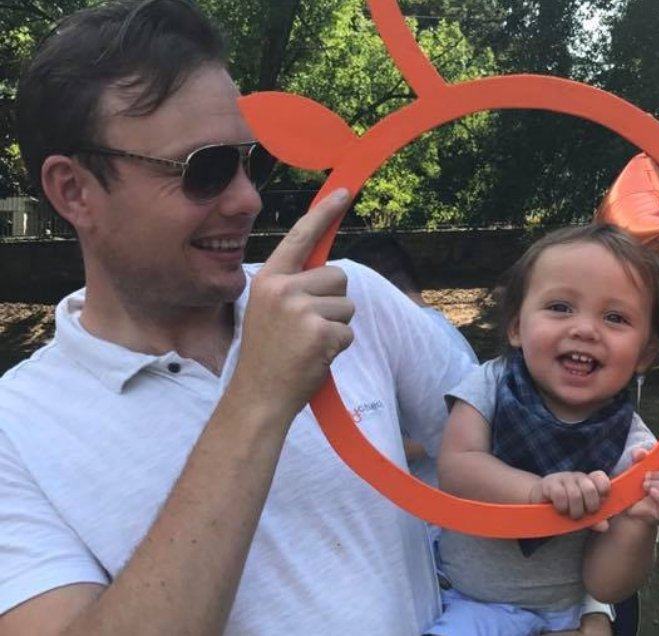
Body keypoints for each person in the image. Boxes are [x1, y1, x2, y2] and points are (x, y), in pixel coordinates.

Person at [0, 1, 475, 634]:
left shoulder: (347, 298)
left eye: (247, 160)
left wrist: (583, 600)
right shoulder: (17, 433)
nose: (248, 199)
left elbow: (525, 444)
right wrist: (258, 396)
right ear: (73, 190)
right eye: (205, 170)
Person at [429, 225, 659, 635]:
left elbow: (607, 585)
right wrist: (537, 492)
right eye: (560, 307)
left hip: (566, 616)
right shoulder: (491, 383)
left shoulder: (637, 449)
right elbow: (457, 466)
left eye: (615, 317)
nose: (585, 329)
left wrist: (639, 522)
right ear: (517, 326)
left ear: (644, 353)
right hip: (469, 599)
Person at [344, 234, 478, 490]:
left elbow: (460, 433)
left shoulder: (424, 340)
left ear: (372, 290)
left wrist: (370, 443)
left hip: (435, 515)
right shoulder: (441, 332)